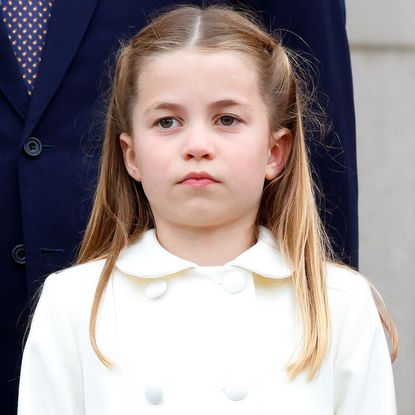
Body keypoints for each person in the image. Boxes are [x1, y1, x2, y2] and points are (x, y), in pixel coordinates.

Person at [17, 5, 396, 414]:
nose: (197, 144)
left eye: (227, 119)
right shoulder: (74, 303)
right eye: (167, 122)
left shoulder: (339, 304)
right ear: (132, 156)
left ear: (274, 151)